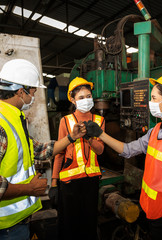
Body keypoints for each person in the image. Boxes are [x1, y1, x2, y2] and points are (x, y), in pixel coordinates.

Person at [0, 59, 86, 240]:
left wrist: (71, 138)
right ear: (21, 91)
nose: (34, 97)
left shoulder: (13, 118)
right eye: (33, 91)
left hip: (12, 225)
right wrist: (29, 189)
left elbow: (40, 150)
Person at [84, 73, 162, 240]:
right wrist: (100, 134)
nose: (150, 102)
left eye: (153, 98)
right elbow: (128, 149)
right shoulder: (155, 131)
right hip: (149, 206)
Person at [50, 77, 105, 240]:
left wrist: (89, 137)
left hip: (91, 181)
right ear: (73, 100)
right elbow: (59, 153)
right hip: (69, 183)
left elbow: (100, 150)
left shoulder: (99, 120)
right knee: (69, 227)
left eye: (88, 96)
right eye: (81, 97)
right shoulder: (65, 121)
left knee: (88, 225)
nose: (86, 100)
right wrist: (54, 183)